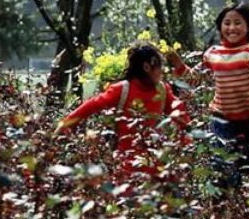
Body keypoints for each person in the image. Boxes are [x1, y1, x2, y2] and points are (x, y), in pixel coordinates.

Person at [168, 2, 249, 184]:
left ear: (248, 26)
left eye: (237, 23)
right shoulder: (212, 53)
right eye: (227, 23)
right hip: (222, 120)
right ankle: (225, 205)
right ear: (220, 27)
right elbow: (195, 79)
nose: (232, 28)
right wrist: (178, 64)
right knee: (223, 169)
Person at [57, 42, 189, 176]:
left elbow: (181, 115)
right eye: (159, 66)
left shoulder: (163, 90)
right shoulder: (122, 89)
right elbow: (90, 106)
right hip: (128, 166)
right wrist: (62, 127)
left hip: (156, 166)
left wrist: (187, 145)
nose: (162, 71)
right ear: (146, 67)